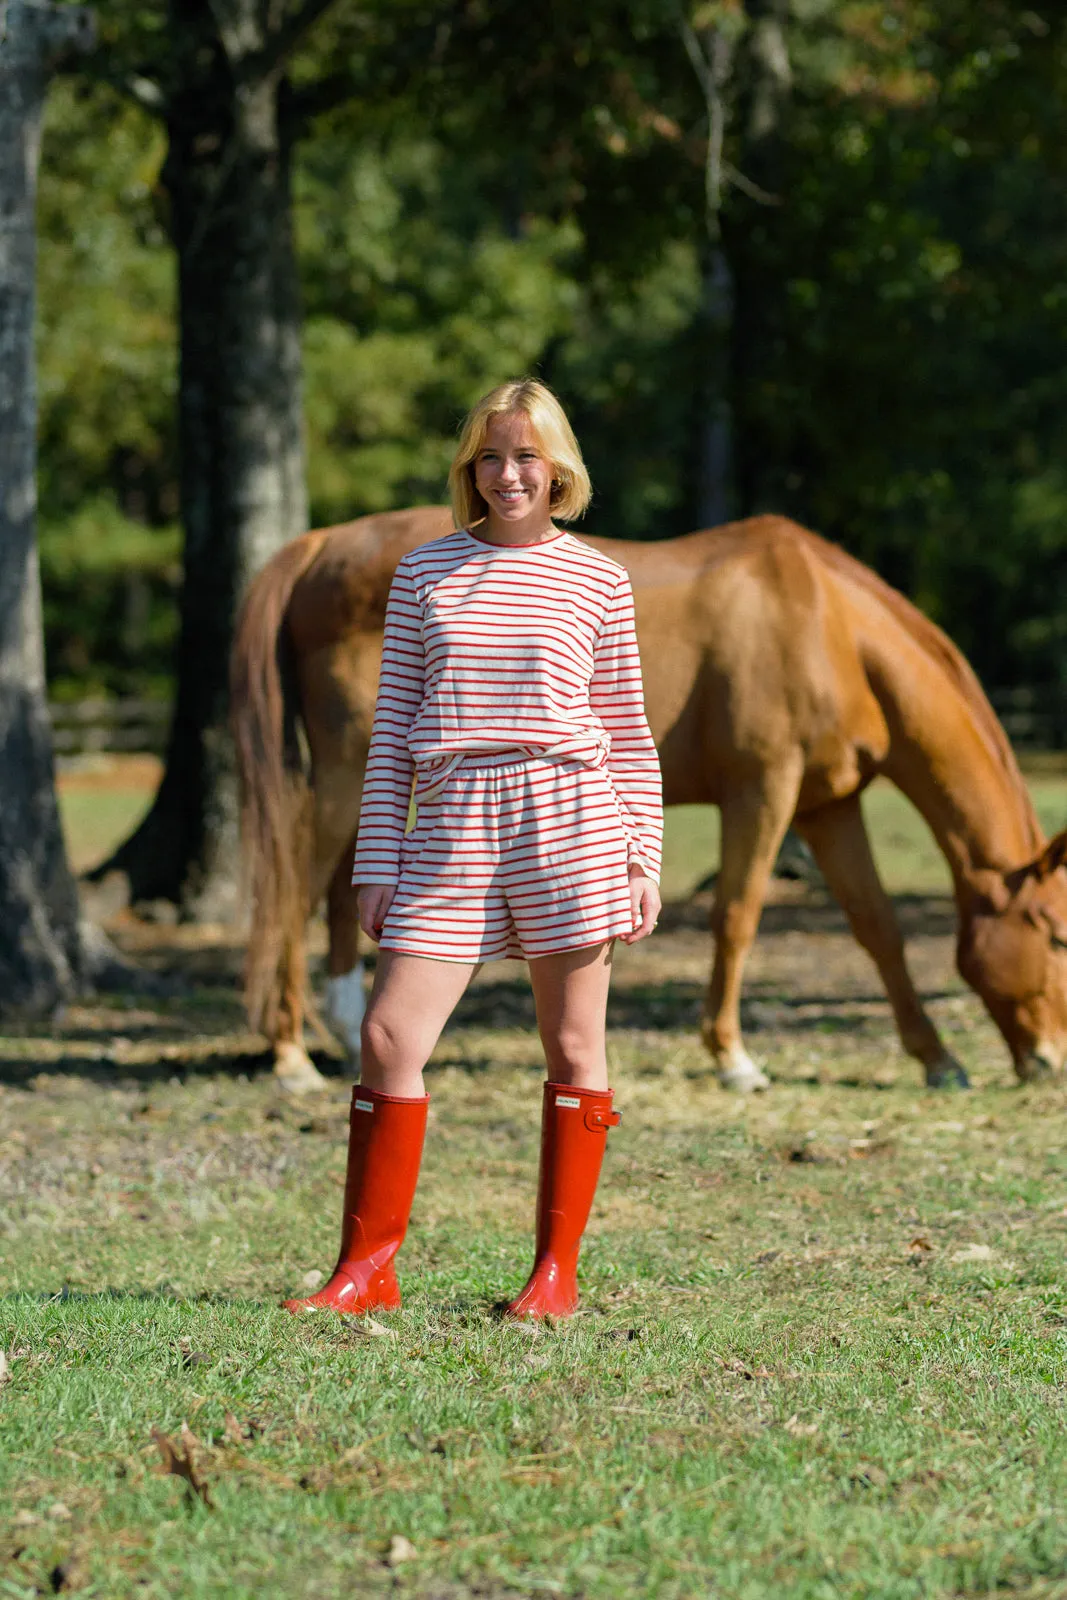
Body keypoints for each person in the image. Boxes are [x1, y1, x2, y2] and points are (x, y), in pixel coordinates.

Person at [284, 378, 663, 1322]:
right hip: (451, 817)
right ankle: (367, 1269)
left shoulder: (600, 579)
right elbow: (396, 722)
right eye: (489, 458)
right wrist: (377, 858)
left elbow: (625, 730)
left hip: (569, 814)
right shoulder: (424, 573)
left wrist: (642, 855)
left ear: (558, 468)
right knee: (385, 1037)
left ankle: (554, 1276)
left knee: (574, 1044)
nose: (507, 474)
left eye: (525, 456)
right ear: (469, 470)